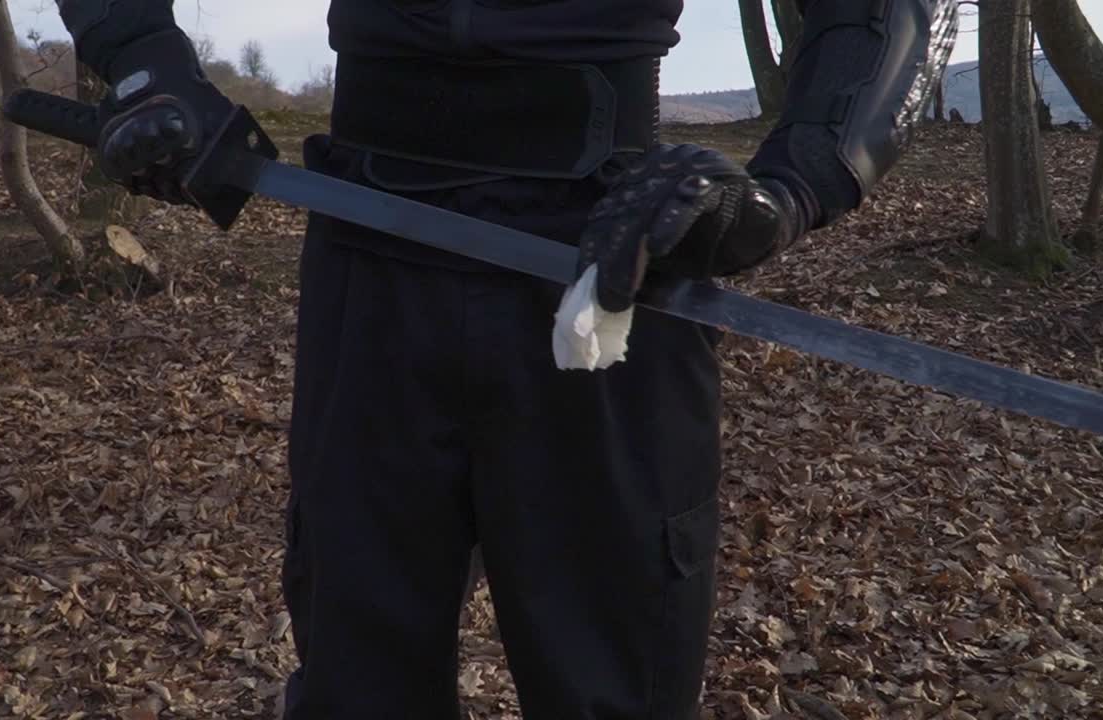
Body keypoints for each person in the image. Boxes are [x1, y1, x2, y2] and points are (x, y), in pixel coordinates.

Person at [54, 1, 959, 717]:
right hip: (371, 263)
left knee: (615, 685)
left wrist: (788, 189)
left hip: (612, 261)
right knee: (357, 684)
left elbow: (880, 12)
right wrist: (143, 59)